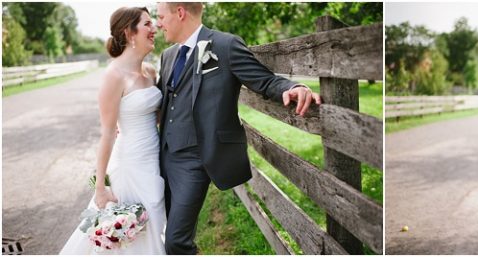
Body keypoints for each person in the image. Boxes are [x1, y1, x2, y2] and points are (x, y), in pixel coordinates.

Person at [154, 2, 321, 254]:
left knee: (176, 241)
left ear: (180, 13)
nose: (158, 23)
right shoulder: (167, 56)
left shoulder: (225, 45)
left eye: (160, 16)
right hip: (165, 156)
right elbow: (164, 101)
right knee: (166, 226)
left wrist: (294, 88)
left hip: (196, 158)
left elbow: (263, 80)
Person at [60, 7, 166, 254]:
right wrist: (100, 188)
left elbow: (159, 117)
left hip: (153, 161)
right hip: (129, 167)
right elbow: (107, 133)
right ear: (129, 32)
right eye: (147, 24)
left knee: (154, 227)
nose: (155, 29)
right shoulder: (113, 75)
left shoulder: (150, 71)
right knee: (130, 235)